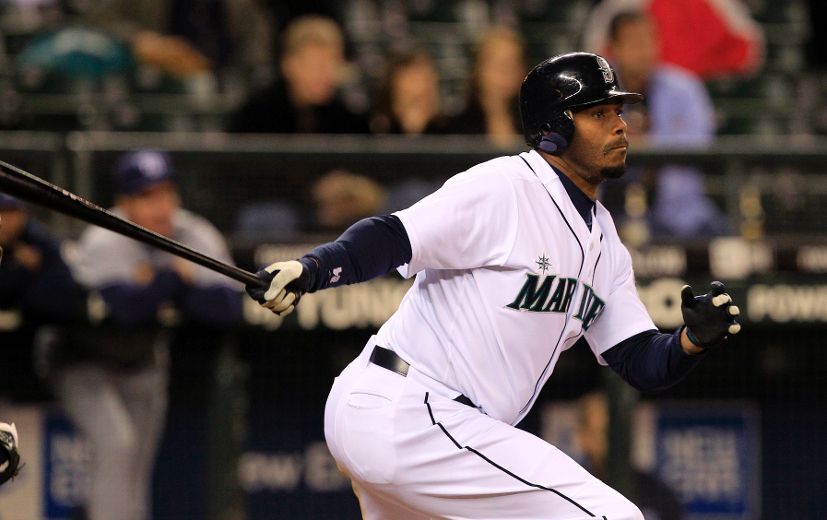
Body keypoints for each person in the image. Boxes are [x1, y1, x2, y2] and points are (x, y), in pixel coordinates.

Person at [245, 52, 741, 519]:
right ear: (555, 128)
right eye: (599, 113)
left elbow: (638, 359)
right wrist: (311, 269)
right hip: (411, 406)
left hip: (433, 423)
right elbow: (394, 235)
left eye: (619, 111)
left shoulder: (606, 242)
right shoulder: (506, 188)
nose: (620, 124)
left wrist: (690, 341)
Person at [59, 150, 242, 520]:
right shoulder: (105, 237)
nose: (162, 206)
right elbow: (125, 311)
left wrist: (160, 285)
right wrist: (176, 278)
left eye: (166, 192)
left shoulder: (193, 231)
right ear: (124, 203)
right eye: (147, 196)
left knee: (135, 469)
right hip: (82, 359)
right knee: (116, 446)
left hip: (142, 362)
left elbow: (229, 308)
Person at [602, 10, 727, 238]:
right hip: (614, 211)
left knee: (722, 237)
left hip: (680, 213)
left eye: (648, 40)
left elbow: (702, 143)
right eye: (633, 42)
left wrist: (647, 144)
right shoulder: (599, 93)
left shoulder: (684, 88)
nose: (643, 51)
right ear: (614, 48)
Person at [0, 194, 86, 400]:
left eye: (10, 212)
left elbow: (66, 301)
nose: (4, 220)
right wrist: (18, 273)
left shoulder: (40, 242)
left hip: (26, 353)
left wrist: (30, 273)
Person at [228, 15, 369, 134]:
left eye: (333, 64)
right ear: (289, 65)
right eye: (317, 65)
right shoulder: (254, 118)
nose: (327, 74)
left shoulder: (347, 121)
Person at [81, 0, 275, 80]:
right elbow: (97, 20)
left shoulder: (242, 7)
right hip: (157, 83)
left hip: (224, 88)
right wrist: (139, 40)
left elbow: (258, 56)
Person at [576, 391, 684, 520]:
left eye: (616, 431)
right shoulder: (572, 489)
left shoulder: (658, 494)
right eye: (602, 433)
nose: (612, 440)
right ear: (583, 437)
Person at [442, 26, 527, 148]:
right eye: (497, 64)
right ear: (477, 69)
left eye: (513, 63)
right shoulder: (453, 128)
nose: (505, 72)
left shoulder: (539, 126)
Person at [370, 48, 448, 135]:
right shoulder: (373, 129)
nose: (425, 87)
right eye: (414, 79)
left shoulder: (451, 131)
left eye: (428, 79)